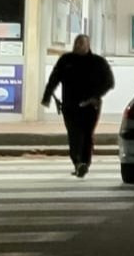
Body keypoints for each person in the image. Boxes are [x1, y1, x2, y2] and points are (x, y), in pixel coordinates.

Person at [42, 35, 115, 178]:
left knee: (87, 134)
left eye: (81, 43)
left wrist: (96, 96)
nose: (78, 45)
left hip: (90, 106)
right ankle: (77, 162)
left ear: (88, 45)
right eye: (76, 43)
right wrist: (47, 97)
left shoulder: (98, 62)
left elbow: (109, 82)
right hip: (70, 105)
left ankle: (84, 163)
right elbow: (54, 79)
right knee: (73, 135)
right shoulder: (66, 60)